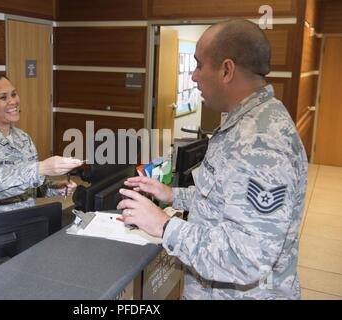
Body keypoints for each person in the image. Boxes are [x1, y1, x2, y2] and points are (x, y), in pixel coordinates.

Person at [117, 20, 308, 299]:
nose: (193, 77)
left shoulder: (261, 142)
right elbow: (224, 201)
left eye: (199, 65)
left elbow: (246, 258)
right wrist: (173, 195)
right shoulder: (245, 124)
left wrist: (164, 225)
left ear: (226, 70)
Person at [0, 73, 82, 218]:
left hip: (25, 224)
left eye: (14, 94)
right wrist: (41, 168)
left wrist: (55, 188)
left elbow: (26, 187)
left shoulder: (23, 138)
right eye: (3, 97)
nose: (13, 101)